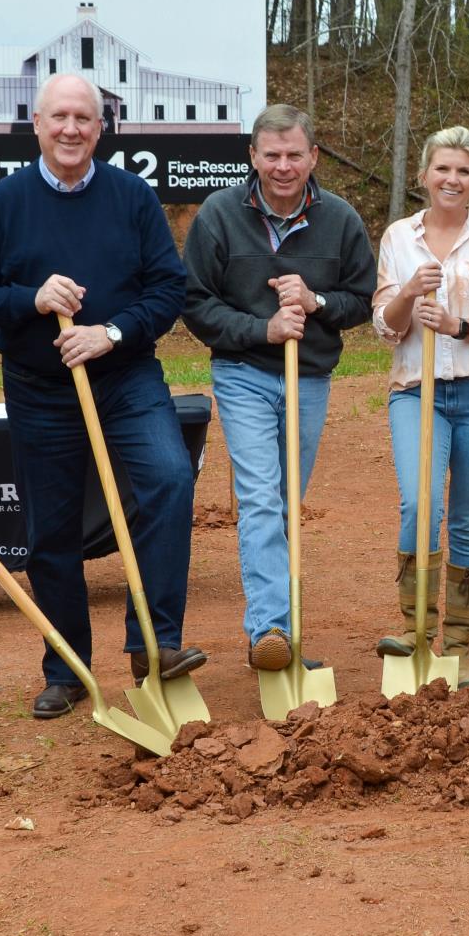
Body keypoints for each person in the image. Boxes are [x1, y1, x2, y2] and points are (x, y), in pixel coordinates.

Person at [0, 73, 202, 721]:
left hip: (125, 377)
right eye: (58, 116)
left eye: (83, 119)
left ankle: (156, 644)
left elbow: (167, 289)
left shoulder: (132, 198)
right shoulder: (6, 203)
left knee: (171, 479)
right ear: (36, 124)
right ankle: (65, 669)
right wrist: (30, 300)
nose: (70, 128)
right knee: (50, 530)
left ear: (101, 128)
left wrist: (111, 332)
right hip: (39, 389)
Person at [182, 103, 376, 670]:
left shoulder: (339, 219)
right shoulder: (219, 214)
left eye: (295, 155)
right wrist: (261, 328)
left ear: (313, 156)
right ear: (253, 157)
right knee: (261, 499)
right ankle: (271, 631)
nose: (284, 166)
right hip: (243, 373)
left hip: (309, 377)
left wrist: (315, 302)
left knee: (286, 502)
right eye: (272, 155)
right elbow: (195, 303)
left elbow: (363, 301)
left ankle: (276, 623)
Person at [371, 126, 469, 688]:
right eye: (442, 169)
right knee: (421, 503)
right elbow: (386, 330)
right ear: (424, 176)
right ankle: (415, 632)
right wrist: (409, 293)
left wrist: (456, 324)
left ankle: (457, 649)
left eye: (463, 171)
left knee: (468, 522)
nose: (452, 180)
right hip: (417, 393)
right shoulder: (398, 237)